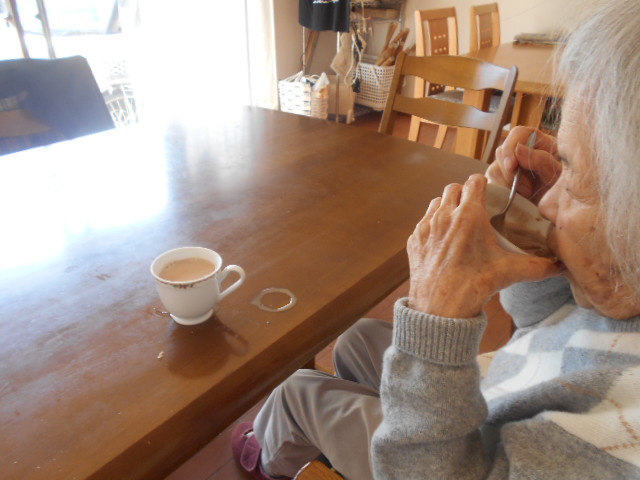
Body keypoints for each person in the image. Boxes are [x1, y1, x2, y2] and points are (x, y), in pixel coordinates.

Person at [232, 0, 640, 478]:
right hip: (501, 391)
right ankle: (339, 445)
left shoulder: (616, 446)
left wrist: (435, 314)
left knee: (300, 392)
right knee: (357, 339)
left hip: (448, 456)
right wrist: (530, 231)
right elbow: (542, 326)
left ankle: (270, 460)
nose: (549, 204)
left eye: (576, 177)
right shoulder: (625, 300)